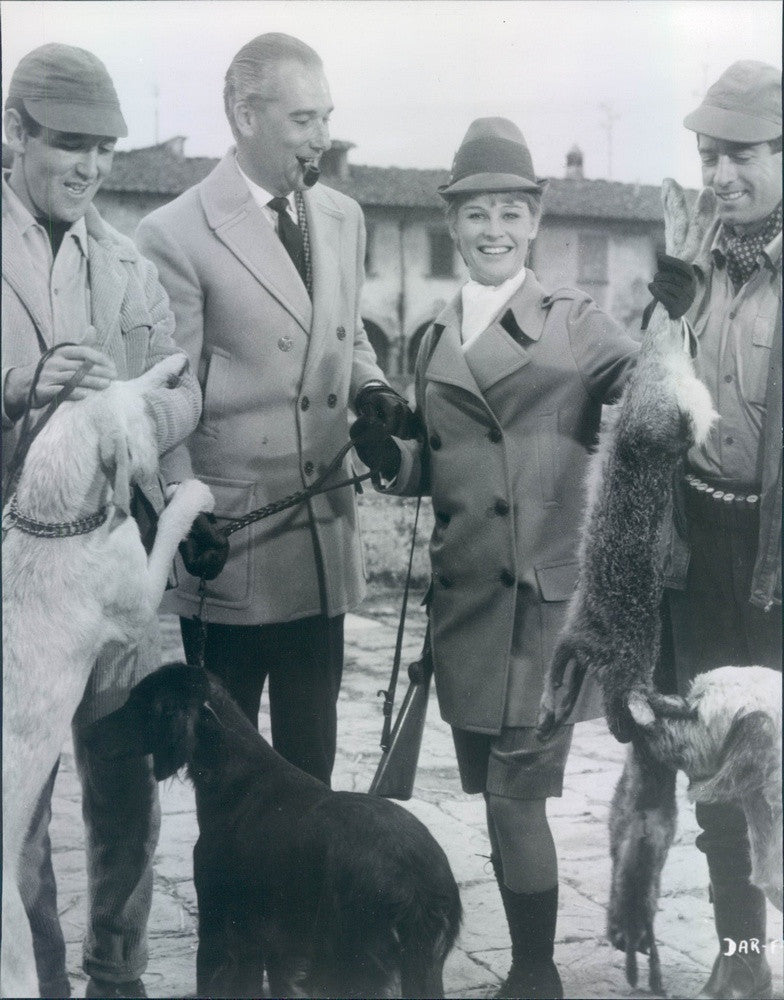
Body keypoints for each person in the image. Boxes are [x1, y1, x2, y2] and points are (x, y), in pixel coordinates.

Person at [352, 118, 639, 998]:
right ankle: (530, 961)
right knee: (494, 797)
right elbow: (438, 468)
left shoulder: (575, 323)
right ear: (453, 222)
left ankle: (535, 972)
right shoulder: (437, 338)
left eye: (510, 213)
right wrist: (385, 456)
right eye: (477, 214)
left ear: (534, 222)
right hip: (466, 608)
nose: (493, 230)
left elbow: (653, 408)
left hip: (537, 613)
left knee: (517, 800)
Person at [136, 33, 408, 788]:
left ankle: (309, 911)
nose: (321, 139)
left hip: (321, 543)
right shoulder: (175, 234)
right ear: (242, 114)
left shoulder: (344, 217)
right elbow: (168, 403)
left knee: (311, 769)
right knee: (232, 779)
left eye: (327, 117)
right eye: (302, 120)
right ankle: (243, 912)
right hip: (232, 554)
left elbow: (347, 344)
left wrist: (375, 392)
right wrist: (184, 514)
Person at [2, 44, 201, 998]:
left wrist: (124, 412)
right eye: (69, 145)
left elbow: (186, 394)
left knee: (125, 793)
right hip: (16, 589)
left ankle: (116, 975)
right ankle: (34, 981)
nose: (88, 167)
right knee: (18, 815)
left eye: (104, 151)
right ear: (13, 132)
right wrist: (15, 393)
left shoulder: (125, 265)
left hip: (116, 570)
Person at [659, 60, 782, 1000]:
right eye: (708, 157)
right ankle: (741, 957)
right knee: (715, 754)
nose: (719, 177)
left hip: (781, 553)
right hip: (702, 544)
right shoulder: (694, 269)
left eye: (739, 155)